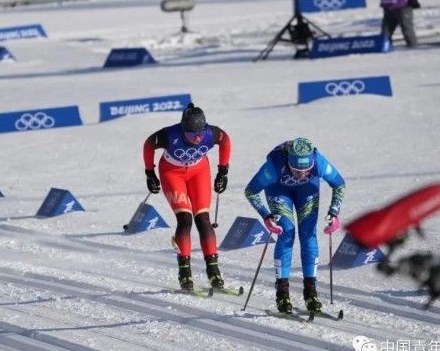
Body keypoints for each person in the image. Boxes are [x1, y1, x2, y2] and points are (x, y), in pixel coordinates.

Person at [244, 137, 345, 313]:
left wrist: (334, 212)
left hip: (307, 191)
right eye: (297, 170)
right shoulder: (274, 166)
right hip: (279, 189)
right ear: (288, 163)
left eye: (306, 170)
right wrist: (266, 217)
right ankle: (282, 294)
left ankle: (311, 291)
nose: (302, 174)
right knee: (286, 233)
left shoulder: (318, 162)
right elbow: (251, 191)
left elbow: (339, 184)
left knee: (308, 235)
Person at [143, 103, 231, 291]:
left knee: (203, 219)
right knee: (185, 219)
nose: (197, 138)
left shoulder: (211, 134)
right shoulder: (169, 135)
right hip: (172, 173)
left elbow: (226, 141)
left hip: (198, 172)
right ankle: (184, 271)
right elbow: (148, 144)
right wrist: (150, 173)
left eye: (200, 133)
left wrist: (223, 171)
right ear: (183, 130)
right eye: (191, 135)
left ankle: (213, 269)